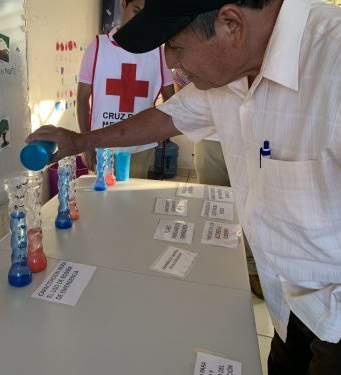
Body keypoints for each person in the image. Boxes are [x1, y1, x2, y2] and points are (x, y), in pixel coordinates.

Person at [27, 0, 341, 373]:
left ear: (230, 25)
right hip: (288, 307)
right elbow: (166, 117)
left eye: (175, 44)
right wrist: (81, 142)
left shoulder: (332, 67)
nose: (171, 62)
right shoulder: (232, 70)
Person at [174, 68, 263, 298]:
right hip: (208, 142)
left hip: (243, 139)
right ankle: (220, 270)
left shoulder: (240, 60)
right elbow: (183, 109)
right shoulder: (184, 69)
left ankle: (252, 269)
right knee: (214, 213)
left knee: (249, 209)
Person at [76, 0, 174, 177]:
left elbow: (172, 99)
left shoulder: (159, 53)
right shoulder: (98, 47)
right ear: (123, 4)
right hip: (101, 145)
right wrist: (86, 144)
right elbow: (82, 99)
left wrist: (162, 131)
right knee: (101, 199)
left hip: (140, 146)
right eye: (136, 11)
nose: (140, 21)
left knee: (133, 200)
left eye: (146, 16)